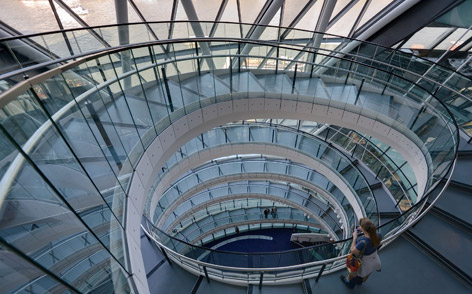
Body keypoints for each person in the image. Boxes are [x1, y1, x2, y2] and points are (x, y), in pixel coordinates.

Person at [340, 218, 382, 289]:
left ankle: (350, 284)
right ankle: (359, 282)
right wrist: (362, 229)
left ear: (364, 230)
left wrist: (354, 238)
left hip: (364, 262)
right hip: (374, 259)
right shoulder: (378, 235)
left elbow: (353, 250)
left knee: (356, 273)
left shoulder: (363, 242)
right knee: (363, 275)